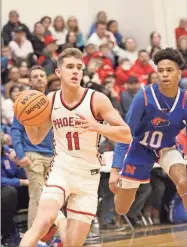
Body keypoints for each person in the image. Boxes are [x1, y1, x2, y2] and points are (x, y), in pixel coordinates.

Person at [19, 48, 132, 247]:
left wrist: (97, 126)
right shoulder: (50, 100)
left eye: (79, 67)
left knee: (72, 244)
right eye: (70, 67)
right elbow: (36, 139)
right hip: (62, 169)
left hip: (88, 176)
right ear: (58, 73)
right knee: (42, 222)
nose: (75, 71)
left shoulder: (96, 99)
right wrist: (26, 119)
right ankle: (56, 217)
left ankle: (61, 219)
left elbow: (126, 134)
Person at [109, 47, 187, 217]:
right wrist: (115, 169)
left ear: (179, 73)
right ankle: (121, 192)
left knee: (183, 181)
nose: (164, 74)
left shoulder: (185, 99)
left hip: (166, 147)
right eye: (160, 71)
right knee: (122, 208)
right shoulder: (143, 96)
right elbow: (125, 133)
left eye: (169, 70)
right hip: (140, 148)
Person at [12, 66, 53, 229]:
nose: (39, 78)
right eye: (34, 76)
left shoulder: (53, 100)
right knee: (38, 196)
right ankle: (34, 238)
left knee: (54, 197)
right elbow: (16, 130)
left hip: (54, 156)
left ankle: (53, 235)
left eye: (42, 75)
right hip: (33, 155)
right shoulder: (23, 102)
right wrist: (21, 154)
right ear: (29, 81)